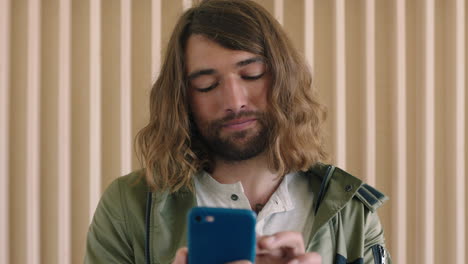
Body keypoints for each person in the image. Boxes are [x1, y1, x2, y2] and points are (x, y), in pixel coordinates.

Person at [85, 0, 391, 263]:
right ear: (183, 97)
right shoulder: (129, 206)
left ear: (283, 78)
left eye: (251, 74)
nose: (234, 102)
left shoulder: (352, 213)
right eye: (207, 84)